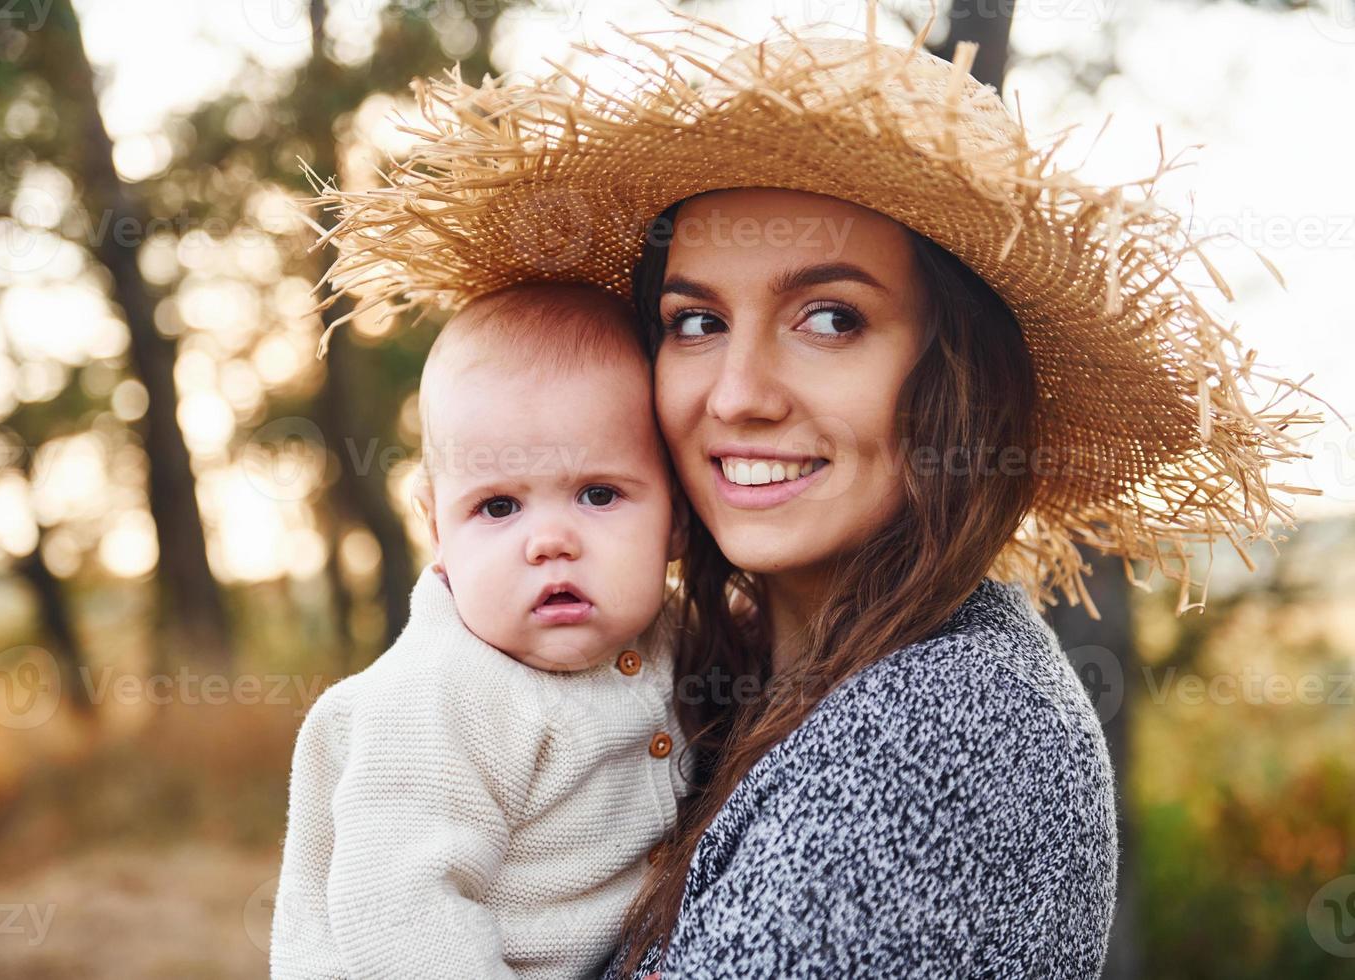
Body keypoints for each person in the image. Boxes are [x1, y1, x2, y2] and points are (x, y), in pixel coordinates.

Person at [307, 6, 1322, 977]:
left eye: (830, 317)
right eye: (696, 321)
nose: (739, 395)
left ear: (952, 375)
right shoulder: (708, 673)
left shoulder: (947, 735)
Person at [270, 281, 691, 979]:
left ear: (675, 518)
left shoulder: (667, 632)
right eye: (499, 507)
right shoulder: (438, 696)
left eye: (599, 494)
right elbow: (399, 913)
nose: (550, 541)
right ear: (436, 530)